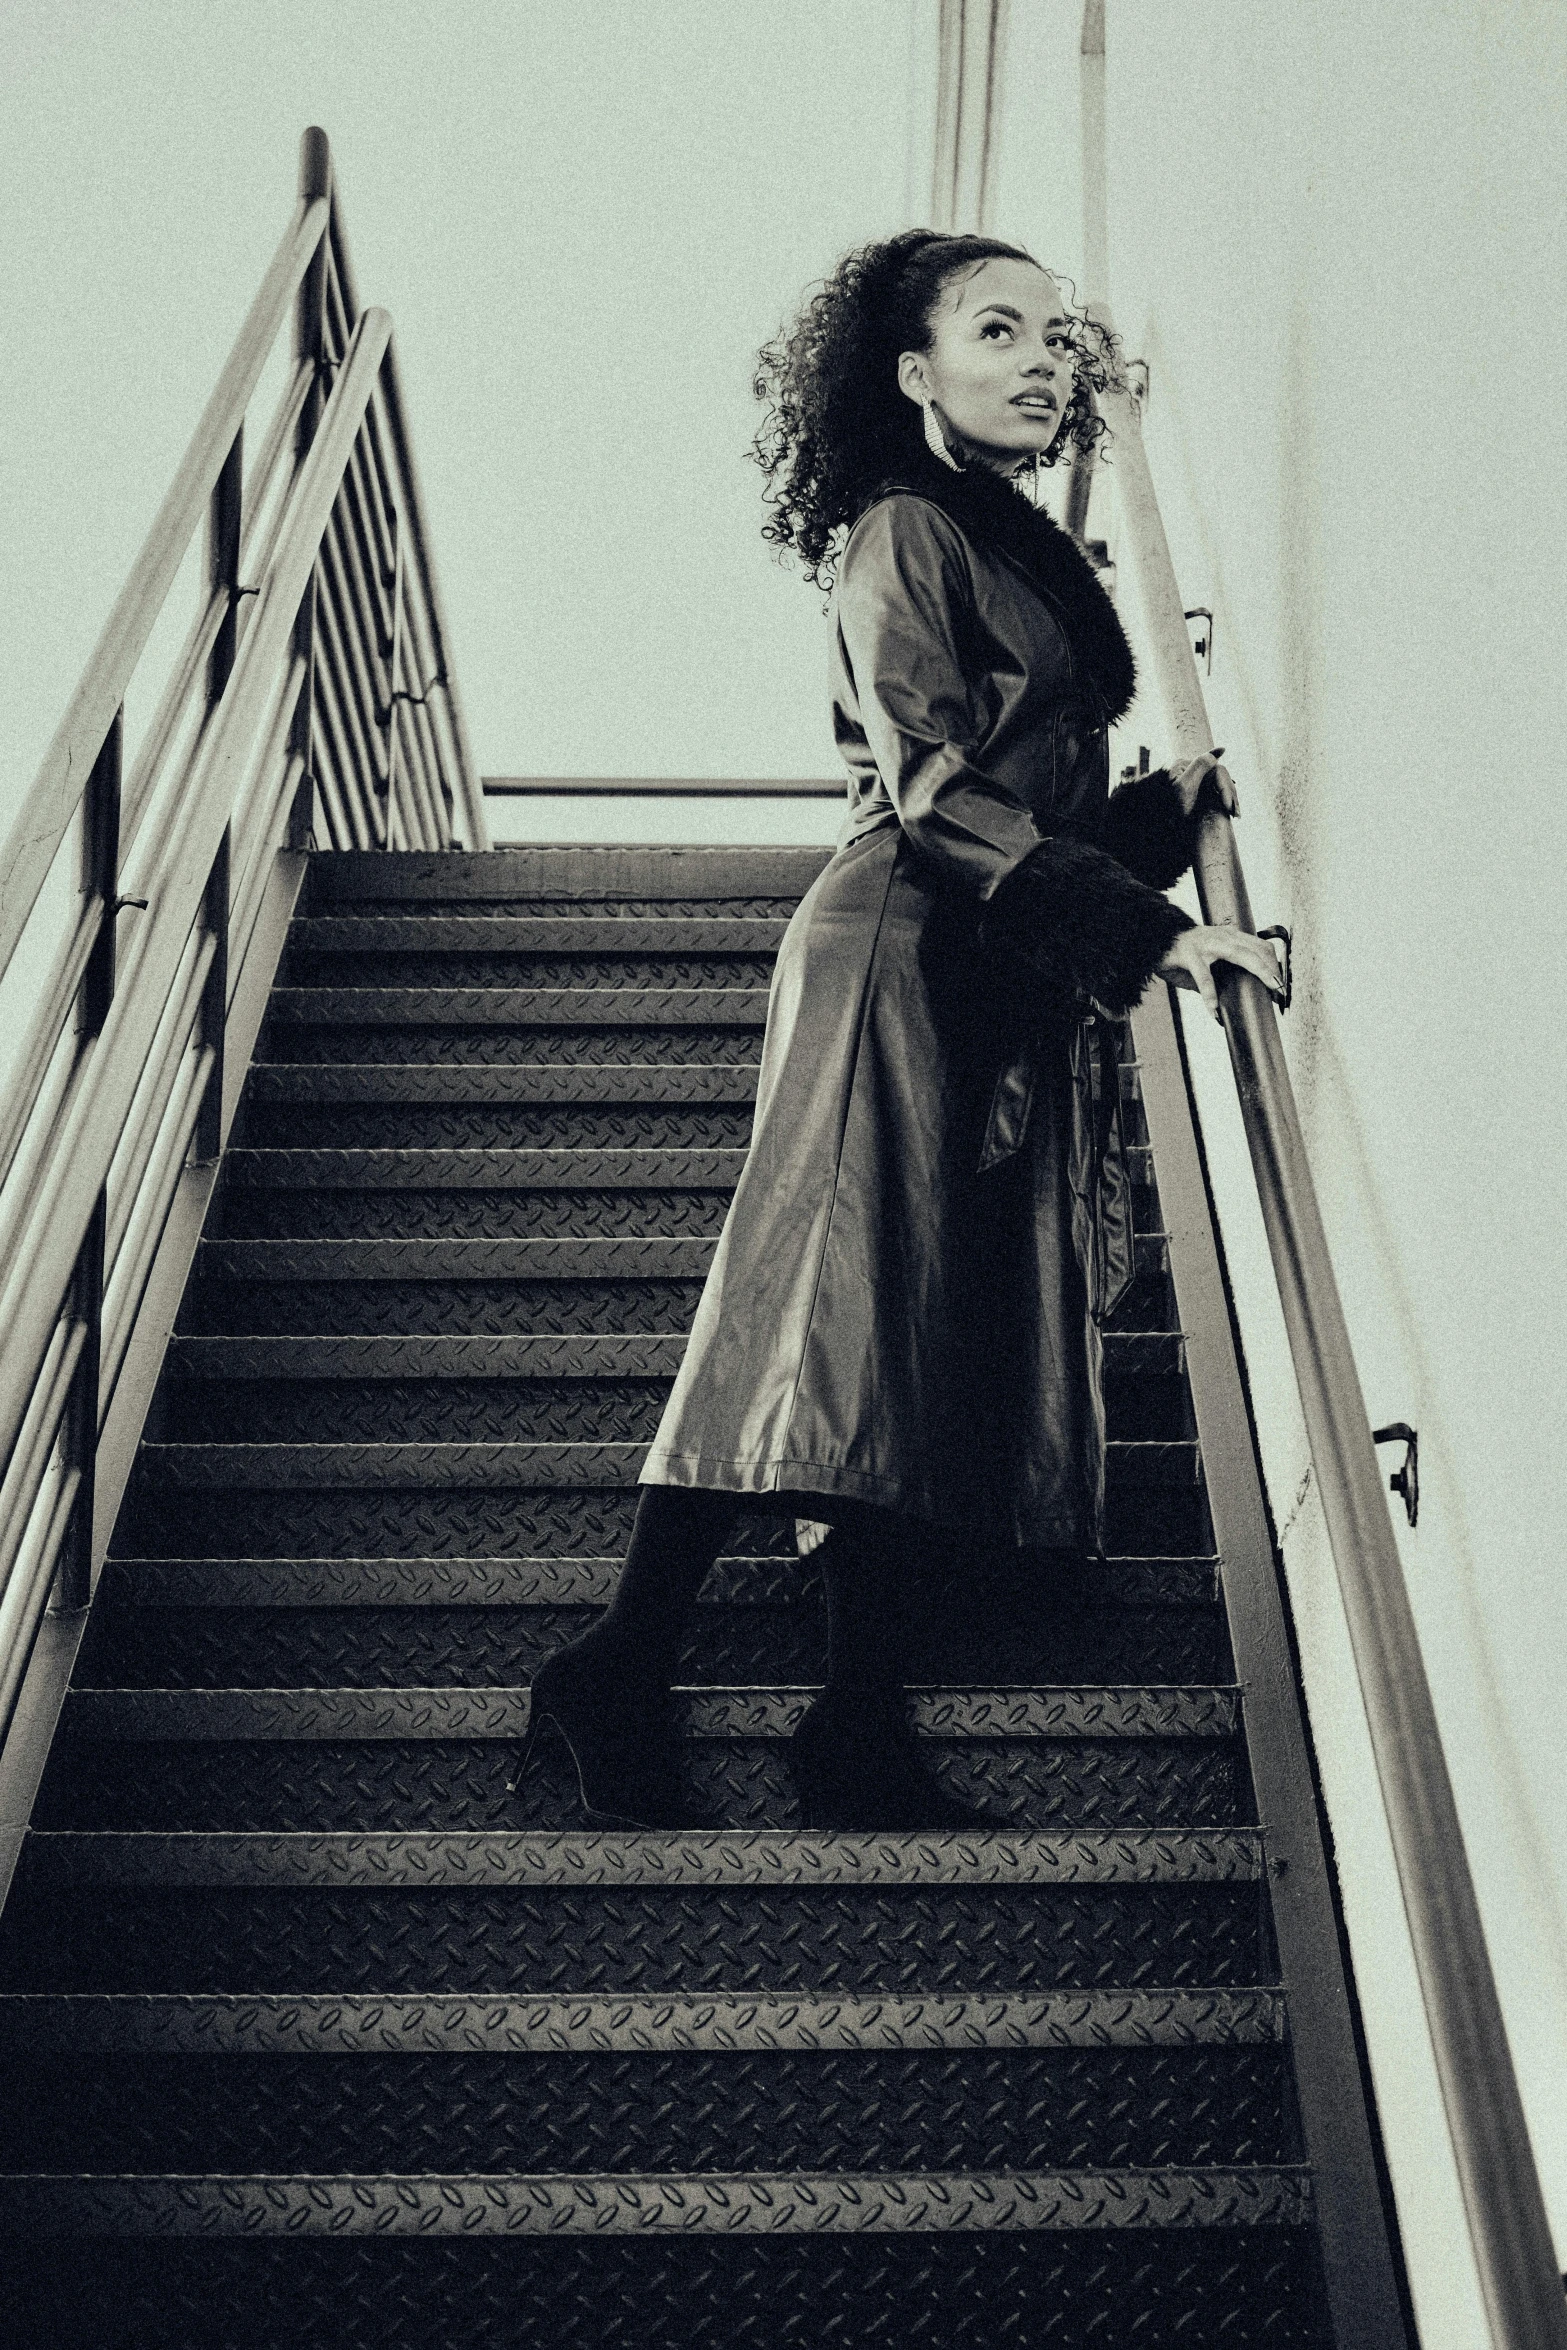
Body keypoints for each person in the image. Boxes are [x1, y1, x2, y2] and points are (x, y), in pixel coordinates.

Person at [515, 228, 1284, 1834]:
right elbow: (931, 785)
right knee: (813, 1302)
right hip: (894, 944)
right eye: (997, 329)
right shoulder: (898, 526)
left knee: (914, 1336)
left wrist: (1160, 811)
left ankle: (855, 1725)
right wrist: (1138, 922)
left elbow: (1016, 785)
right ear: (913, 370)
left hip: (980, 955)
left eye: (1061, 337)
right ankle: (615, 1655)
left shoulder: (996, 536)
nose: (1042, 359)